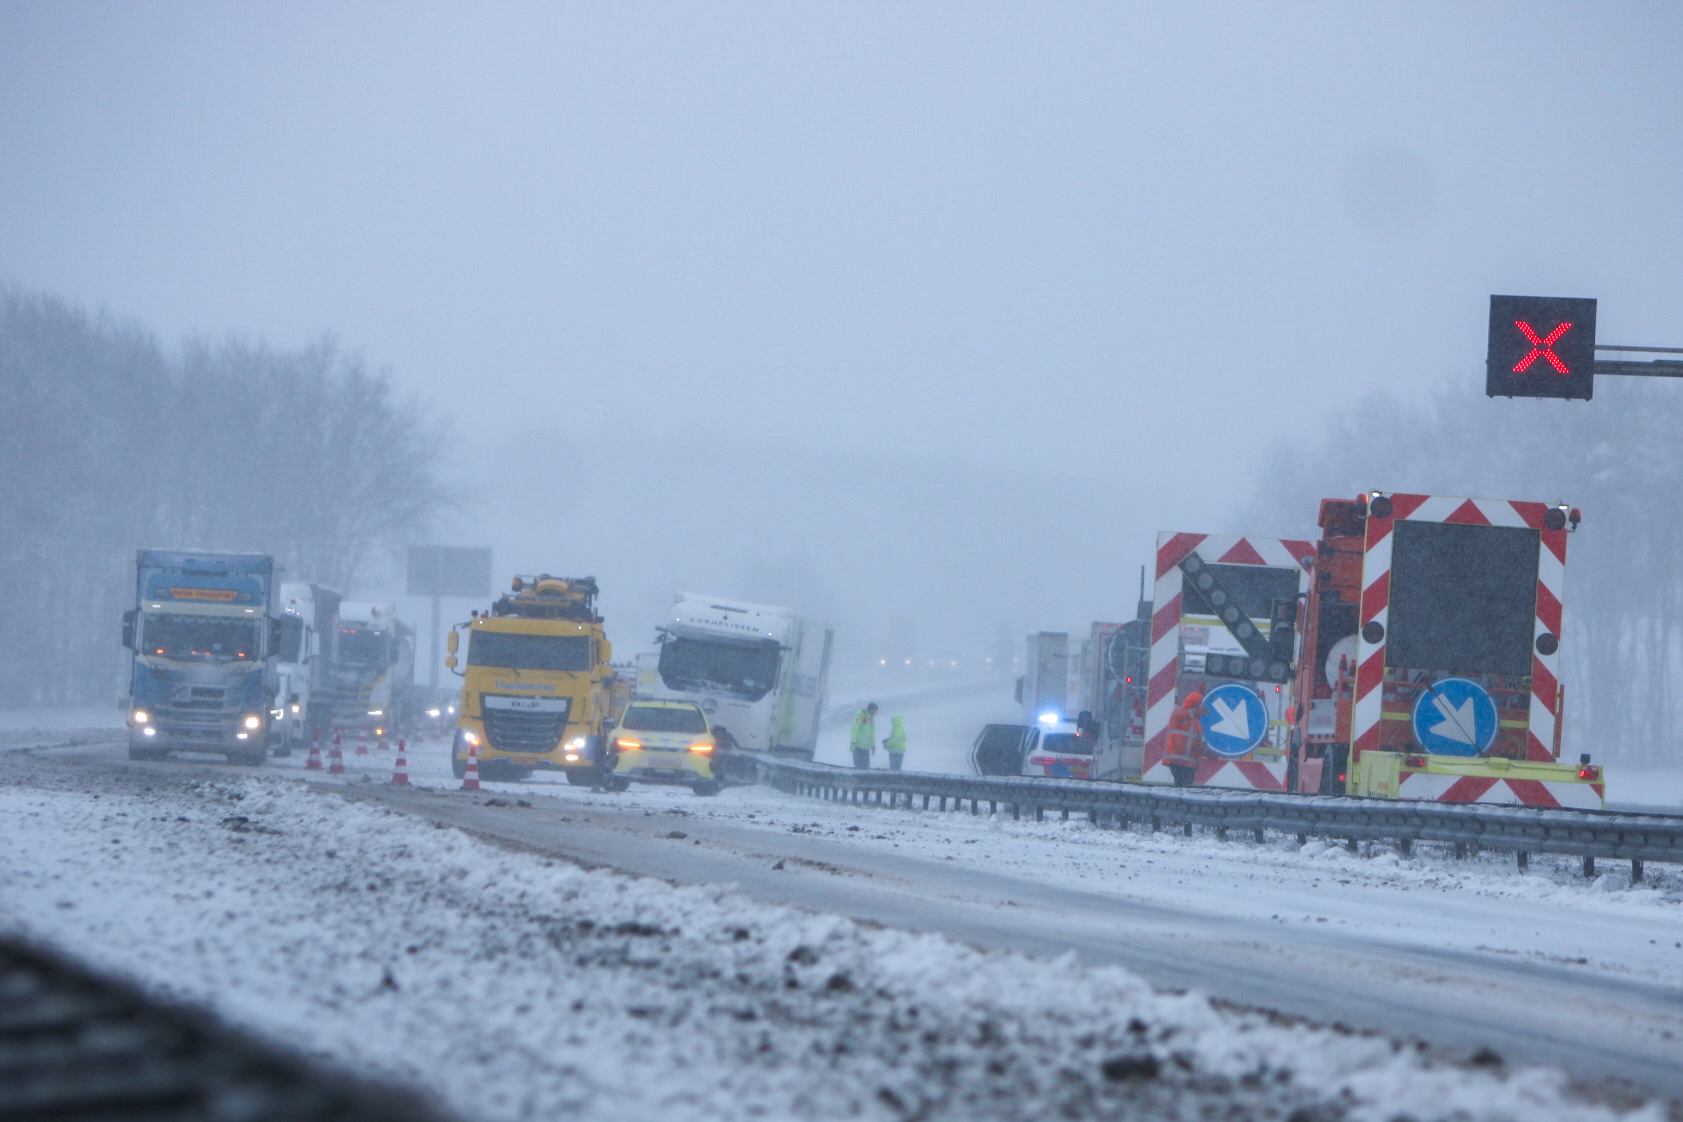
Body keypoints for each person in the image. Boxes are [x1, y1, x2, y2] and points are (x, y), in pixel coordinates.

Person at [1164, 690, 1206, 787]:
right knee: (1181, 787)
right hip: (1177, 762)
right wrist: (1195, 711)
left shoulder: (1197, 725)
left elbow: (1197, 744)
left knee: (1186, 788)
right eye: (1198, 705)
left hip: (1190, 764)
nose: (1200, 708)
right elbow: (1180, 715)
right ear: (1192, 704)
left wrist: (1205, 752)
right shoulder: (1178, 713)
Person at [850, 703, 878, 769]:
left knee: (866, 769)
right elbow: (854, 728)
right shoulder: (861, 716)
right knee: (858, 768)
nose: (875, 713)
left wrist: (873, 746)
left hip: (866, 749)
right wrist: (853, 742)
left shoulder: (871, 719)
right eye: (875, 711)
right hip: (858, 747)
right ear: (871, 709)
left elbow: (872, 734)